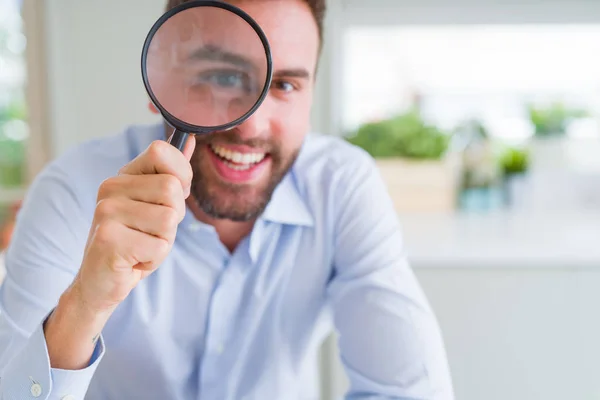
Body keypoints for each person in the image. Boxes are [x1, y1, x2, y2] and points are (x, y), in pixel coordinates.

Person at [0, 0, 454, 399]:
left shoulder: (341, 186)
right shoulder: (72, 190)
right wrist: (86, 303)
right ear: (160, 86)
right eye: (222, 77)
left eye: (286, 86)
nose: (253, 125)